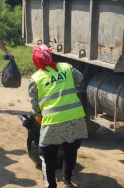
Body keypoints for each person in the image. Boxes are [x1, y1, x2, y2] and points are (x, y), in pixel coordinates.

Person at [28, 44, 88, 188]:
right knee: (70, 150)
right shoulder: (66, 67)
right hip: (75, 117)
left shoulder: (35, 79)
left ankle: (51, 185)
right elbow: (79, 78)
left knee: (46, 156)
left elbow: (35, 104)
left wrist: (38, 115)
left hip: (52, 121)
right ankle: (67, 178)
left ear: (36, 60)